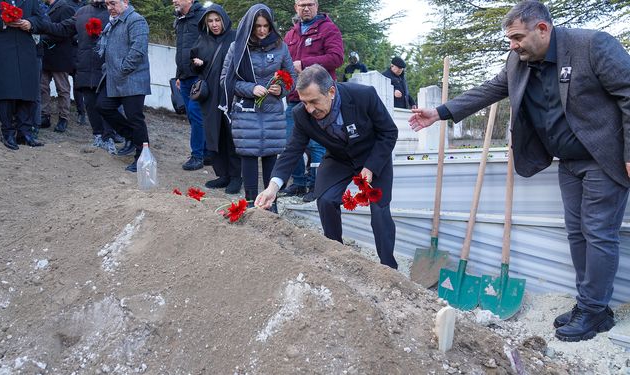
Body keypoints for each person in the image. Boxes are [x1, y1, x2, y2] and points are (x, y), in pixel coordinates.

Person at [409, 0, 630, 342]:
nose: (512, 45)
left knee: (599, 233)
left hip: (604, 158)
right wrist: (440, 112)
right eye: (509, 39)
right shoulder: (519, 61)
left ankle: (592, 310)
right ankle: (593, 308)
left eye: (516, 37)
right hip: (568, 161)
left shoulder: (591, 45)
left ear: (543, 29)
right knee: (577, 233)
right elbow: (490, 90)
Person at [255, 64, 398, 269]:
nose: (310, 109)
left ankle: (389, 268)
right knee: (325, 200)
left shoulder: (363, 96)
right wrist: (273, 188)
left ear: (331, 91)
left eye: (314, 101)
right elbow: (292, 150)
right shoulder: (301, 115)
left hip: (373, 155)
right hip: (339, 158)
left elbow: (389, 132)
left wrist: (371, 167)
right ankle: (337, 258)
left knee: (379, 210)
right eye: (305, 102)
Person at [220, 3, 296, 208]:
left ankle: (272, 205)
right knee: (249, 155)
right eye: (257, 26)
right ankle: (252, 204)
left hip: (272, 110)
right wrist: (250, 88)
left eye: (266, 26)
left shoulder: (281, 47)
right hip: (246, 111)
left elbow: (292, 78)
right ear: (249, 26)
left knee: (272, 155)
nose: (262, 30)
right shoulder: (238, 47)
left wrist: (281, 89)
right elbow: (226, 80)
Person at [27, 0, 118, 153]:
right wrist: (37, 23)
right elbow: (62, 29)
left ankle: (110, 137)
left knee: (105, 105)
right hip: (85, 67)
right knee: (90, 104)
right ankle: (97, 136)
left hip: (106, 69)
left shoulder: (115, 12)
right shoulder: (82, 12)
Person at [281, 0, 344, 202]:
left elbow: (336, 58)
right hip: (294, 97)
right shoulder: (291, 34)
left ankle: (317, 185)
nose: (306, 8)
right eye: (301, 5)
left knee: (318, 143)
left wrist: (304, 64)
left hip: (319, 98)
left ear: (317, 5)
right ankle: (299, 182)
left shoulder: (329, 29)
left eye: (310, 4)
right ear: (295, 7)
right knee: (291, 142)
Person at [191, 4, 242, 194]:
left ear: (224, 20)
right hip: (210, 97)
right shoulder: (202, 40)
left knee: (232, 136)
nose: (214, 24)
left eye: (217, 20)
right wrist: (196, 65)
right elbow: (195, 68)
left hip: (231, 96)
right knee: (214, 135)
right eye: (210, 21)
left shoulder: (235, 37)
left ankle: (237, 177)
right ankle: (223, 174)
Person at [95, 0, 151, 172]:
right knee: (102, 106)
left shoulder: (136, 20)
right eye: (107, 4)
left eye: (113, 3)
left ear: (125, 2)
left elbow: (138, 50)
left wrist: (122, 69)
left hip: (132, 78)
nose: (109, 7)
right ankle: (134, 139)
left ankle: (142, 158)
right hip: (114, 78)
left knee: (135, 118)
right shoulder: (113, 21)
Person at [0, 0, 44, 149]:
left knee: (27, 90)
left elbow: (40, 18)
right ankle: (7, 132)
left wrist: (30, 23)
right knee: (6, 90)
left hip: (25, 46)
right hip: (1, 46)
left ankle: (24, 132)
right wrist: (1, 20)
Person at [173, 0, 208, 171]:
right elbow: (181, 50)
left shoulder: (203, 16)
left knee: (196, 114)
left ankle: (197, 156)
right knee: (192, 116)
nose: (174, 1)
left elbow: (212, 44)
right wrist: (178, 75)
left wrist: (205, 65)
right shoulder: (179, 20)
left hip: (199, 76)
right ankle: (207, 152)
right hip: (185, 77)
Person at [39, 0, 76, 133]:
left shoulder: (66, 8)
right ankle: (44, 116)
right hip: (46, 55)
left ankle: (63, 118)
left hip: (60, 56)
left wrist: (43, 37)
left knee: (62, 89)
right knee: (42, 87)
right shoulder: (47, 8)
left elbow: (67, 31)